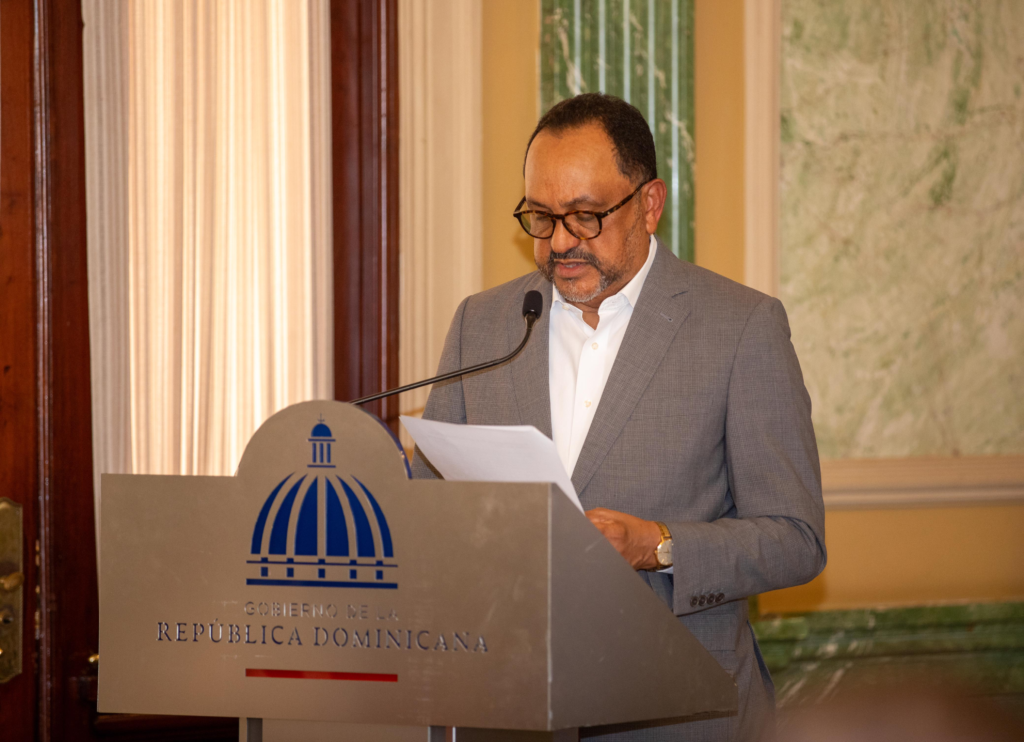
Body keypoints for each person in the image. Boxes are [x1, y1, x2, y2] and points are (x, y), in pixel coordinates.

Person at [411, 93, 826, 741]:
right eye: (540, 217)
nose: (559, 242)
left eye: (585, 216)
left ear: (649, 204)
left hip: (678, 712)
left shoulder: (741, 328)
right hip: (507, 705)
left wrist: (658, 545)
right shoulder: (484, 324)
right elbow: (427, 507)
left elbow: (796, 538)